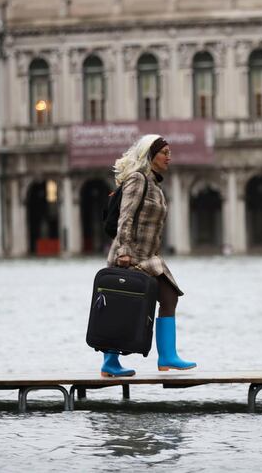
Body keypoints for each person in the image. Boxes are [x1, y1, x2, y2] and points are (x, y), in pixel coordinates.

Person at [102, 134, 196, 377]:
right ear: (150, 155)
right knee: (121, 306)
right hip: (129, 255)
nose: (169, 156)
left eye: (169, 152)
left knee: (169, 296)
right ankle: (110, 362)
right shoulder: (137, 179)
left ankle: (167, 356)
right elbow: (126, 216)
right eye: (164, 152)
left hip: (148, 256)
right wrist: (123, 251)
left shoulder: (155, 184)